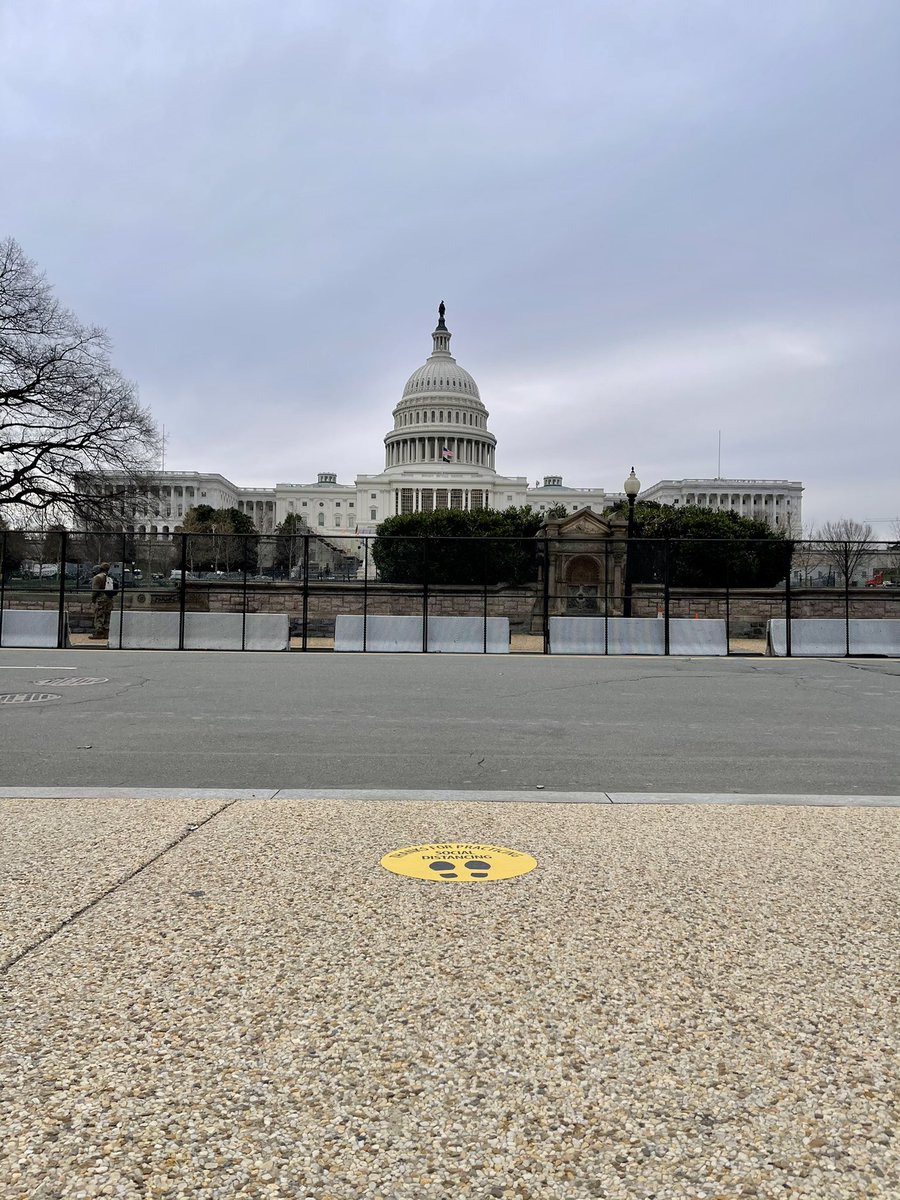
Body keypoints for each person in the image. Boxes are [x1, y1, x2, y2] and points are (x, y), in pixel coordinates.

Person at [89, 562, 115, 640]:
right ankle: (106, 632)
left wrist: (93, 599)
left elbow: (95, 590)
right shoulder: (109, 577)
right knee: (107, 615)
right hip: (109, 599)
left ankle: (99, 632)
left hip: (101, 599)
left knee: (99, 615)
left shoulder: (98, 577)